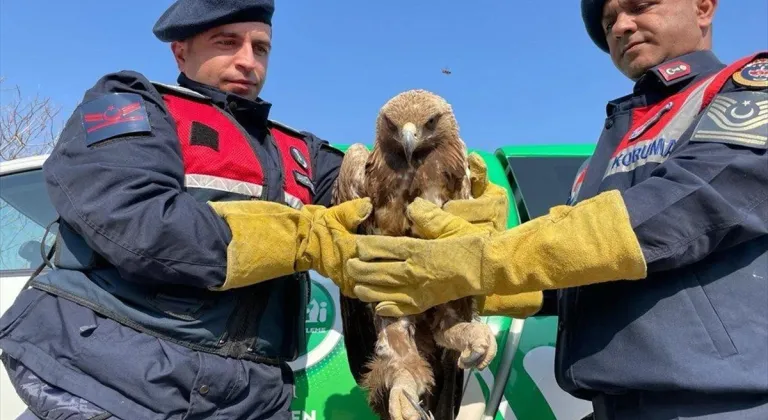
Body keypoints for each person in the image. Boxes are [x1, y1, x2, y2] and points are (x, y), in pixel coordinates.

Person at [0, 1, 537, 419]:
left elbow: (381, 205)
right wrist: (302, 239)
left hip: (248, 395)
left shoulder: (299, 150)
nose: (247, 61)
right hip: (112, 382)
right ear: (180, 52)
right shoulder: (134, 107)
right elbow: (138, 226)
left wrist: (467, 200)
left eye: (261, 47)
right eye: (227, 43)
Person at [347, 0, 768, 419]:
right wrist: (457, 286)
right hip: (612, 404)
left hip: (715, 403)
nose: (622, 25)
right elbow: (577, 274)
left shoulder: (747, 89)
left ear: (703, 7)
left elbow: (680, 210)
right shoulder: (606, 149)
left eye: (640, 5)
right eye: (609, 21)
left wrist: (484, 258)